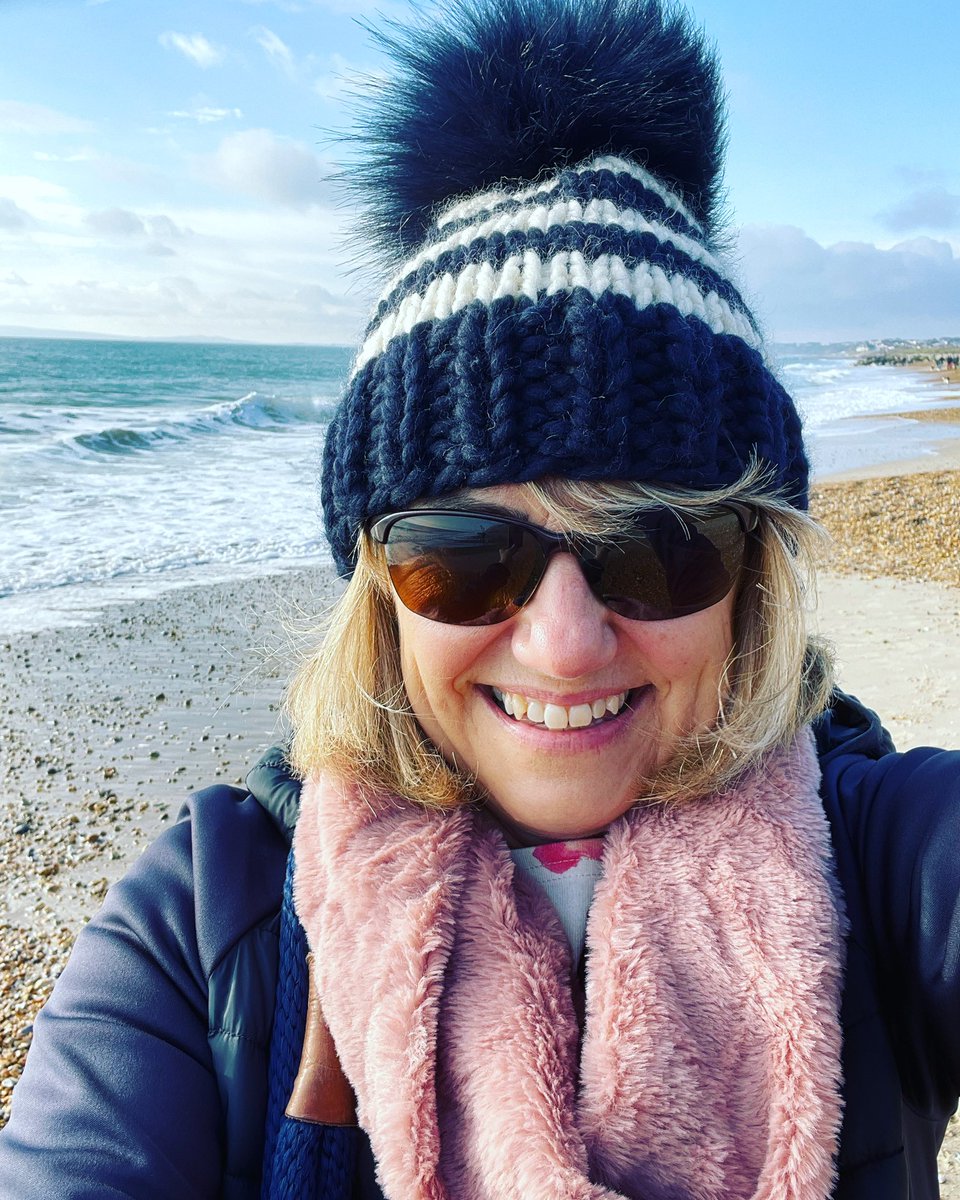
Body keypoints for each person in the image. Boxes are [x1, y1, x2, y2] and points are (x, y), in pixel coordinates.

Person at [2, 0, 960, 1197]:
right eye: (464, 559)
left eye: (659, 551)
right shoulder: (209, 919)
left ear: (751, 583)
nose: (564, 645)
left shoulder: (885, 857)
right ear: (379, 590)